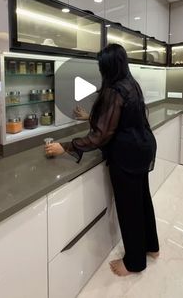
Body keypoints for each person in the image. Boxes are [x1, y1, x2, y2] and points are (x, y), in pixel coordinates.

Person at [45, 43, 159, 277]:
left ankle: (134, 263)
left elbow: (99, 137)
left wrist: (64, 147)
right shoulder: (130, 83)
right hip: (143, 147)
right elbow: (121, 117)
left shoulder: (113, 90)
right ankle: (151, 247)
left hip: (127, 155)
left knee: (130, 209)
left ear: (107, 67)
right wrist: (92, 116)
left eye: (101, 66)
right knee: (142, 200)